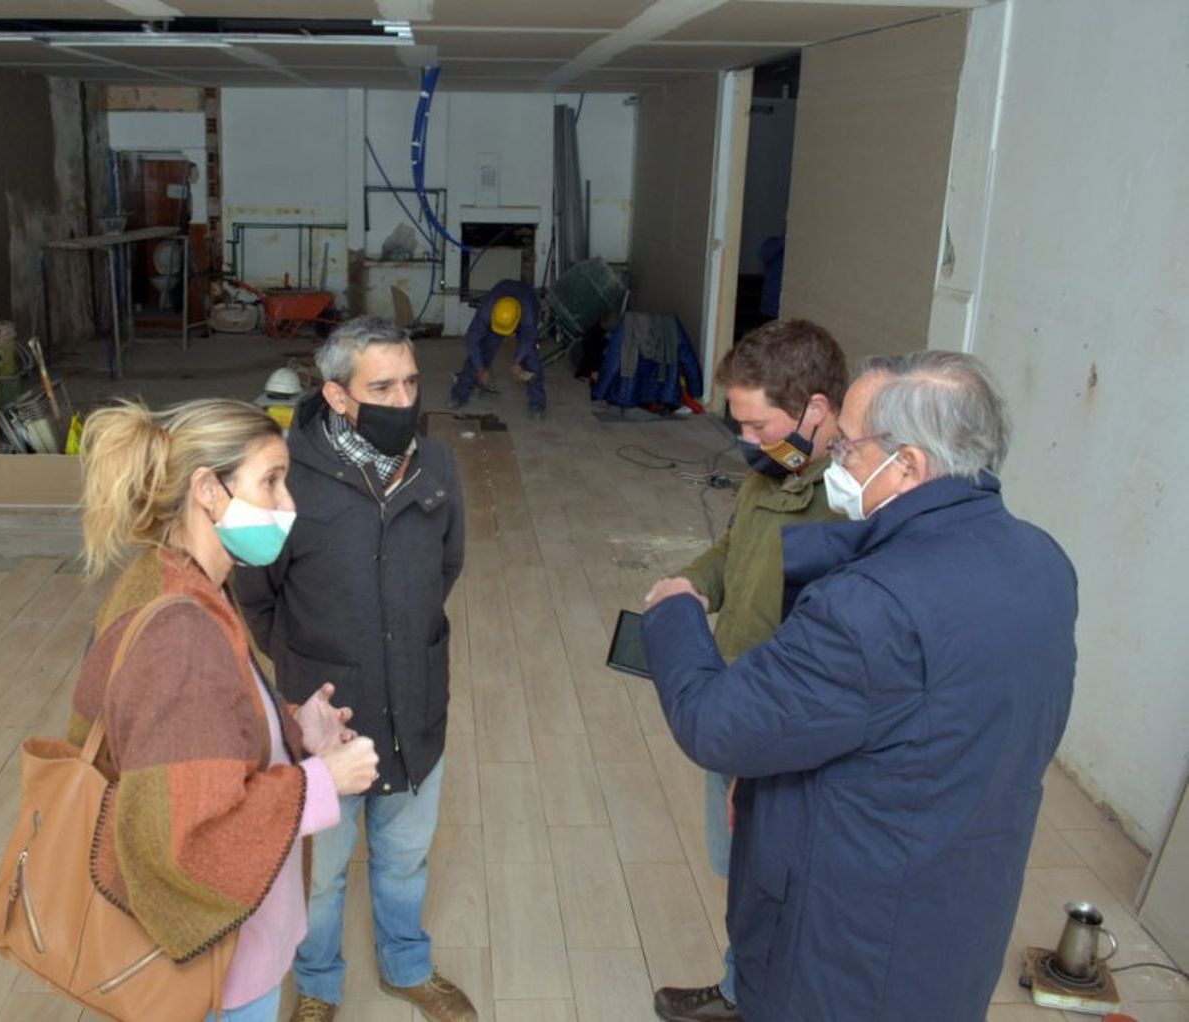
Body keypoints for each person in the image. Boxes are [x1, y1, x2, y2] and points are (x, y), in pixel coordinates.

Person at [642, 351, 1077, 1022]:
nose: (834, 458)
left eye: (847, 444)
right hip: (959, 912)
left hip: (849, 944)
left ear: (907, 465)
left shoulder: (869, 608)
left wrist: (673, 612)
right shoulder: (1043, 561)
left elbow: (716, 724)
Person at [69, 397, 381, 1022]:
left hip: (221, 949)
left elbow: (197, 740)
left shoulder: (172, 581)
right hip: (219, 966)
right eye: (271, 480)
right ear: (209, 490)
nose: (289, 503)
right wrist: (323, 781)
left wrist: (295, 730)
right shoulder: (181, 635)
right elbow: (190, 837)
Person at [235, 317, 474, 1022]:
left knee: (405, 857)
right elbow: (256, 590)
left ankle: (408, 966)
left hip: (418, 705)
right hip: (328, 722)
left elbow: (447, 564)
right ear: (338, 396)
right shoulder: (286, 474)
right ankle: (317, 984)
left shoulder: (435, 465)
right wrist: (309, 660)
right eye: (382, 387)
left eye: (409, 382)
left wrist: (401, 631)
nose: (402, 399)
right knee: (321, 873)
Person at [653, 318, 848, 1022]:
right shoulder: (774, 472)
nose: (744, 441)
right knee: (741, 868)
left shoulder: (845, 510)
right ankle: (741, 988)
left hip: (783, 726)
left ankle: (758, 998)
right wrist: (690, 585)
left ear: (816, 410)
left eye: (757, 423)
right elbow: (734, 550)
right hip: (738, 698)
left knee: (777, 877)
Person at [446, 278, 545, 419]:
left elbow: (528, 340)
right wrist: (481, 369)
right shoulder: (487, 309)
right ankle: (459, 395)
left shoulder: (529, 312)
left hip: (525, 300)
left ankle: (538, 404)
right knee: (483, 350)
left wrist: (518, 361)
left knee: (531, 360)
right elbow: (473, 339)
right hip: (501, 305)